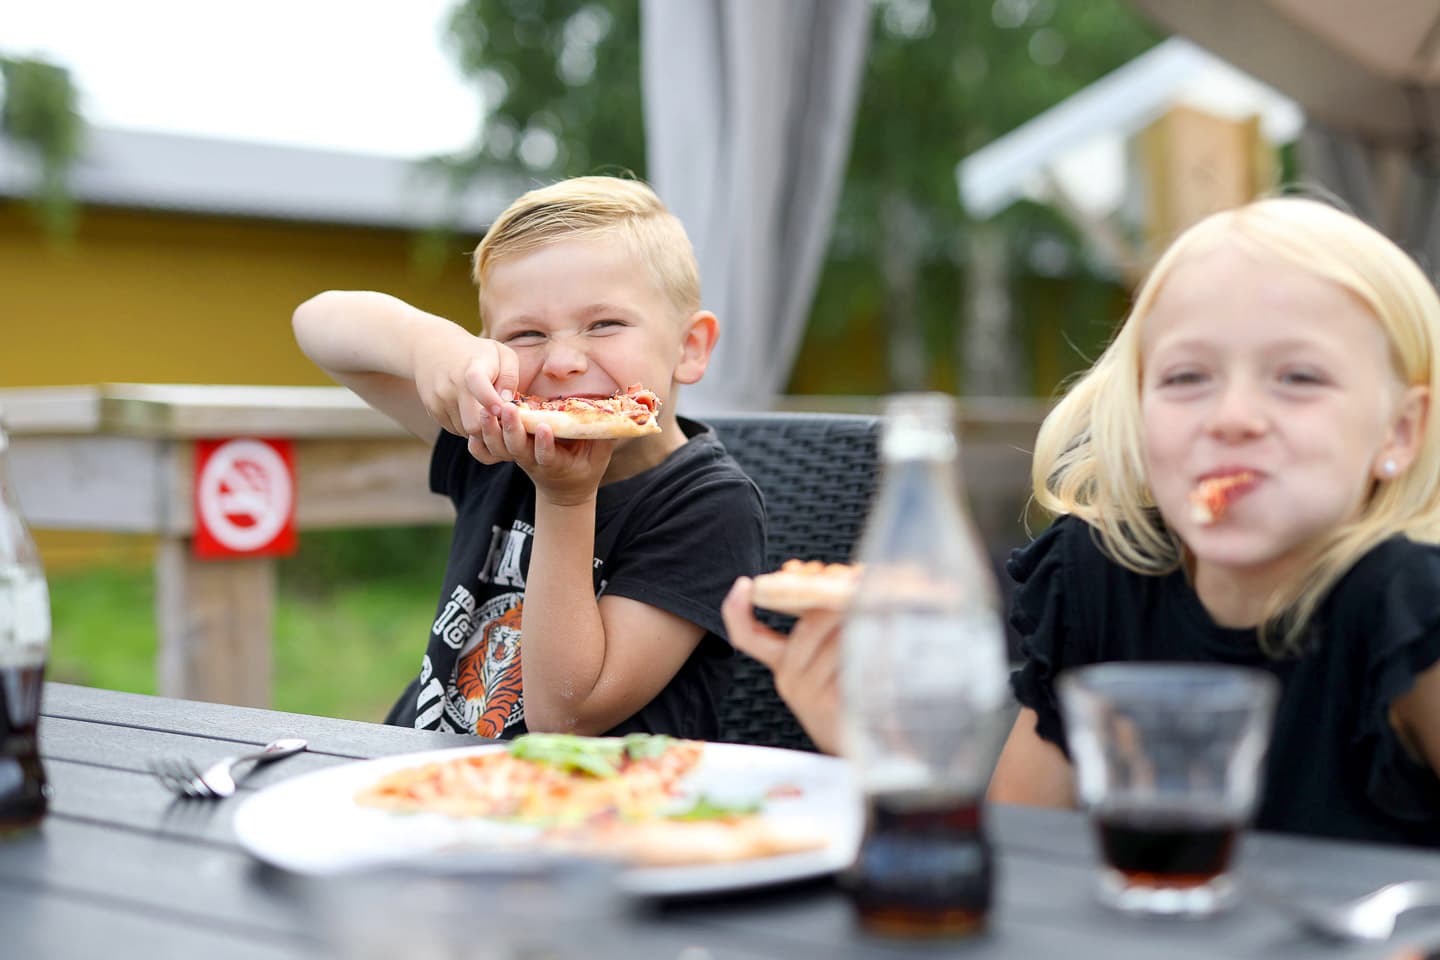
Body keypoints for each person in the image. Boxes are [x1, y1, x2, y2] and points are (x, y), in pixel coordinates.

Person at [726, 196, 1440, 846]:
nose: (1232, 419)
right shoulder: (1097, 576)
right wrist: (881, 752)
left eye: (1299, 378)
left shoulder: (1406, 606)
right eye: (1187, 377)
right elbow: (1024, 853)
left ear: (1400, 433)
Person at [294, 175, 766, 741]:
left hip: (596, 810)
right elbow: (315, 324)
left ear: (690, 348)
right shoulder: (497, 439)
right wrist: (428, 346)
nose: (563, 360)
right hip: (427, 774)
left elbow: (566, 714)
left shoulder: (709, 505)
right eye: (526, 333)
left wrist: (566, 496)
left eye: (605, 324)